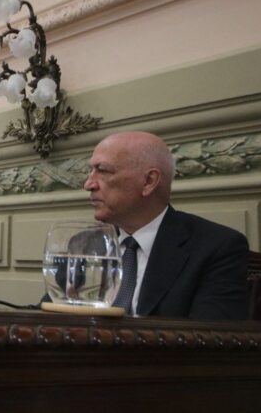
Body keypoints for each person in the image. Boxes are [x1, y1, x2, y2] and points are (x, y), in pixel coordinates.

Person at [84, 131, 248, 320]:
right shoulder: (84, 244)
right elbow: (51, 316)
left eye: (103, 170)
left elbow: (210, 341)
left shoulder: (217, 248)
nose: (88, 184)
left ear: (149, 181)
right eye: (90, 171)